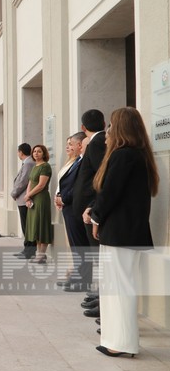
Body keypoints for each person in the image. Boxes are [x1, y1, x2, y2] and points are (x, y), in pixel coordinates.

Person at [89, 107, 158, 357]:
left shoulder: (123, 156)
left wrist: (95, 216)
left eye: (111, 125)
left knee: (117, 289)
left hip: (120, 233)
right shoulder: (139, 155)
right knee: (122, 288)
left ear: (119, 127)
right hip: (131, 233)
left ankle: (119, 343)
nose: (107, 130)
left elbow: (110, 193)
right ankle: (120, 340)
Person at [70, 109, 107, 300]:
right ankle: (97, 294)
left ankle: (99, 296)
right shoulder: (97, 141)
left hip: (91, 209)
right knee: (93, 253)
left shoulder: (98, 142)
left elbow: (102, 177)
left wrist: (92, 205)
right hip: (88, 209)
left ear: (83, 128)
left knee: (97, 254)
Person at [54, 132, 86, 285]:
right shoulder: (76, 161)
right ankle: (77, 274)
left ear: (80, 145)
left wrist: (64, 198)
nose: (69, 147)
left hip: (74, 206)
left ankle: (81, 278)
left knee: (80, 245)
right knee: (75, 245)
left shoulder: (82, 161)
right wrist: (59, 196)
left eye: (71, 144)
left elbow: (79, 186)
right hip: (68, 206)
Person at [24, 145, 54, 263]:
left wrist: (28, 195)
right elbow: (30, 183)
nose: (36, 153)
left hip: (41, 198)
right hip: (32, 198)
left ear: (44, 153)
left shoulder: (45, 166)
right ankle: (38, 255)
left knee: (42, 225)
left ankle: (42, 255)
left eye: (39, 151)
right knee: (35, 226)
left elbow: (41, 185)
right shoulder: (35, 166)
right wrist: (27, 197)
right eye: (34, 151)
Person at [10, 143, 36, 258]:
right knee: (26, 225)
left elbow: (23, 181)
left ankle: (29, 251)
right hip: (22, 199)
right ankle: (27, 249)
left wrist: (14, 193)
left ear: (21, 152)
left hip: (24, 198)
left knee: (27, 226)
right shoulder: (27, 163)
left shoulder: (29, 163)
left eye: (18, 151)